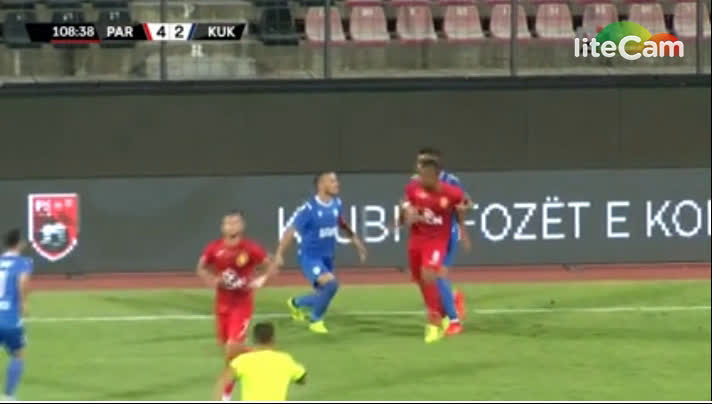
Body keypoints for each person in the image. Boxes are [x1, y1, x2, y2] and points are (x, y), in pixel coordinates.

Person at [196, 211, 276, 402]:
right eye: (228, 223)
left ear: (242, 226)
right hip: (221, 304)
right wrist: (213, 280)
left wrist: (260, 281)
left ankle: (226, 395)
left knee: (232, 348)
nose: (232, 226)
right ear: (222, 227)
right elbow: (200, 267)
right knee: (229, 351)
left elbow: (271, 266)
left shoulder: (250, 248)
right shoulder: (214, 248)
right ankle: (260, 356)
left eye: (235, 222)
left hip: (241, 304)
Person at [273, 171, 367, 334]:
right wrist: (279, 253)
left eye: (336, 181)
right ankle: (316, 320)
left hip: (327, 257)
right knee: (331, 285)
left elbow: (342, 224)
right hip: (310, 258)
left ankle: (296, 303)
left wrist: (357, 243)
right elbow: (290, 231)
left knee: (324, 293)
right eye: (332, 181)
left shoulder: (337, 203)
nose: (337, 184)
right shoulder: (309, 209)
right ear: (321, 185)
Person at [402, 159, 470, 343]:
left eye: (424, 174)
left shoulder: (451, 191)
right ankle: (448, 303)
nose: (421, 177)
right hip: (417, 240)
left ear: (435, 176)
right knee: (421, 279)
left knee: (432, 274)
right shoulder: (413, 188)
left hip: (438, 240)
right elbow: (406, 209)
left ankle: (441, 321)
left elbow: (466, 203)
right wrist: (408, 214)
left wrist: (463, 218)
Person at [215, 322, 306, 402]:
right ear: (273, 339)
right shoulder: (285, 360)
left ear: (254, 340)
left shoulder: (243, 361)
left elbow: (223, 381)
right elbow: (302, 379)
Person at [0, 229, 33, 401]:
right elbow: (22, 281)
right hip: (9, 318)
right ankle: (8, 395)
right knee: (18, 353)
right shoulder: (23, 262)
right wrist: (24, 303)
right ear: (19, 243)